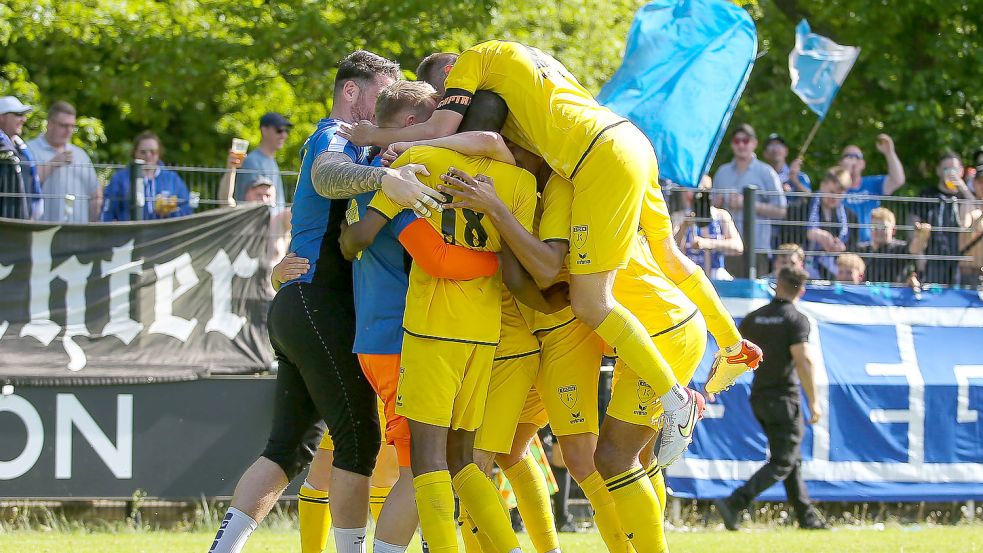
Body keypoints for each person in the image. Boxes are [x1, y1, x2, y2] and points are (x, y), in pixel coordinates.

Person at [343, 43, 762, 481]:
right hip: (627, 143)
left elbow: (462, 137)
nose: (444, 108)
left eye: (442, 95)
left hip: (586, 213)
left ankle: (676, 399)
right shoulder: (531, 69)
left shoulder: (482, 87)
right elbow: (671, 260)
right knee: (532, 455)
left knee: (588, 307)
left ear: (453, 71)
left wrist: (376, 138)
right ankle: (733, 348)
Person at [206, 50, 402, 553]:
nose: (385, 109)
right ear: (352, 92)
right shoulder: (334, 134)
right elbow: (326, 178)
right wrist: (387, 178)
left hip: (301, 305)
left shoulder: (363, 141)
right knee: (358, 440)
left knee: (288, 450)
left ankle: (221, 549)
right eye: (381, 95)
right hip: (318, 305)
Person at [715, 266, 828, 531]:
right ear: (801, 290)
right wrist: (814, 401)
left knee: (790, 458)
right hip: (784, 398)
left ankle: (806, 517)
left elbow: (731, 351)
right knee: (784, 461)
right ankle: (735, 502)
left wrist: (714, 383)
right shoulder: (796, 320)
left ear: (776, 284)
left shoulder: (755, 318)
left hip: (759, 397)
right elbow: (803, 361)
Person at [711, 124, 788, 276]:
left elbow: (781, 210)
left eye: (745, 141)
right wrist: (716, 204)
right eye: (736, 141)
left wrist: (748, 204)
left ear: (754, 143)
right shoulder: (722, 172)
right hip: (728, 247)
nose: (741, 145)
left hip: (757, 248)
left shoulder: (766, 172)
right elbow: (713, 208)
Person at [28, 101, 101, 223]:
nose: (69, 131)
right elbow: (24, 185)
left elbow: (95, 194)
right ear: (50, 124)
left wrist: (94, 224)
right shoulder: (30, 150)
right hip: (42, 230)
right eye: (64, 126)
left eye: (72, 126)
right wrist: (53, 164)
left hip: (78, 232)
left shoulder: (81, 155)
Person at [908, 152, 973, 285]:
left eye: (954, 169)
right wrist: (919, 256)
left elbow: (977, 213)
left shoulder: (965, 197)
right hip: (930, 260)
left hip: (959, 263)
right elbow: (912, 226)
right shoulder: (926, 194)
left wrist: (964, 189)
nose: (950, 173)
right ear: (938, 171)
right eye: (946, 169)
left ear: (961, 171)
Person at [101, 131, 191, 221]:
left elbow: (187, 210)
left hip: (165, 232)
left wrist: (170, 213)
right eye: (143, 152)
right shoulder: (120, 178)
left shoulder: (172, 179)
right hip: (130, 233)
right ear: (135, 153)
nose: (148, 156)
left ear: (159, 153)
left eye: (153, 152)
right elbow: (108, 212)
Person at [672, 176, 744, 280]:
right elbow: (673, 249)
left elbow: (738, 246)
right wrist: (683, 228)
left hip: (716, 275)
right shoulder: (678, 217)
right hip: (688, 275)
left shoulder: (721, 215)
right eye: (687, 189)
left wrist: (708, 243)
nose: (689, 194)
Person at [838, 135, 906, 244]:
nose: (852, 160)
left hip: (871, 245)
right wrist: (844, 174)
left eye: (856, 157)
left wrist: (889, 153)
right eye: (848, 156)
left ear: (863, 164)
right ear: (840, 163)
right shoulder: (835, 188)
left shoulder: (872, 183)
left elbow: (898, 180)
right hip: (845, 245)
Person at [805, 167, 858, 280]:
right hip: (806, 270)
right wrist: (811, 234)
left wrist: (842, 248)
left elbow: (854, 248)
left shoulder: (851, 216)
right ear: (823, 186)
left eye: (840, 194)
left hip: (836, 275)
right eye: (832, 192)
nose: (834, 197)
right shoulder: (804, 206)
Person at [857, 207, 931, 284]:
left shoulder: (899, 249)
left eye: (883, 228)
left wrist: (923, 235)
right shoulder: (861, 250)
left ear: (893, 230)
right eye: (874, 227)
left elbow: (915, 248)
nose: (878, 231)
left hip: (892, 294)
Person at [237, 112, 292, 209]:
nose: (284, 135)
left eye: (286, 131)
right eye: (279, 130)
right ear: (264, 130)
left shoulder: (271, 160)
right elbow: (253, 205)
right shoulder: (252, 161)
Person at [0, 96, 41, 220]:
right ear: (1, 117)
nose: (23, 119)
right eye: (18, 114)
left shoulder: (23, 151)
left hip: (21, 224)